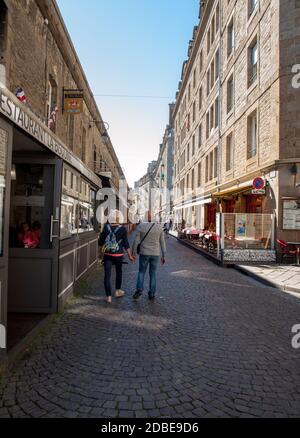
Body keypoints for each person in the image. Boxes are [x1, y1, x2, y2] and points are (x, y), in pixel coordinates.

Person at [99, 210, 135, 304]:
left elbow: (101, 242)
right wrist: (130, 256)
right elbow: (126, 244)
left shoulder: (106, 227)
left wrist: (100, 254)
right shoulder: (122, 229)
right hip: (118, 254)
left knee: (107, 275)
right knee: (119, 272)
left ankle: (108, 297)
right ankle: (118, 291)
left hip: (107, 254)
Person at [132, 219, 166, 302]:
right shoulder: (159, 227)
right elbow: (162, 242)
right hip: (155, 254)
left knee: (141, 272)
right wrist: (164, 255)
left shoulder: (141, 226)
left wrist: (133, 252)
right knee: (153, 274)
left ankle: (139, 290)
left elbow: (136, 240)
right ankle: (152, 294)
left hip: (144, 252)